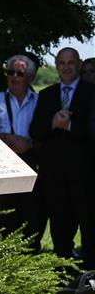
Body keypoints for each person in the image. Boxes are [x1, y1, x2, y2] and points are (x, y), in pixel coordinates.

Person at [29, 47, 94, 269]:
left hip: (86, 178)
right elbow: (35, 131)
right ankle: (63, 285)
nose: (66, 67)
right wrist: (53, 124)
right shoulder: (46, 94)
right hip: (55, 179)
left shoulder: (91, 92)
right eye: (62, 63)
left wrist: (70, 126)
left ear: (78, 64)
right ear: (56, 65)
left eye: (71, 63)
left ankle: (90, 283)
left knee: (90, 233)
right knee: (60, 235)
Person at [0, 54, 43, 249]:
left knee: (29, 215)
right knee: (4, 215)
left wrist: (28, 144)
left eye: (20, 73)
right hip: (3, 164)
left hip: (30, 163)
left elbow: (44, 134)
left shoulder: (39, 101)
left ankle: (29, 257)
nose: (15, 77)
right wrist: (8, 139)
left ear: (29, 76)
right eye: (11, 72)